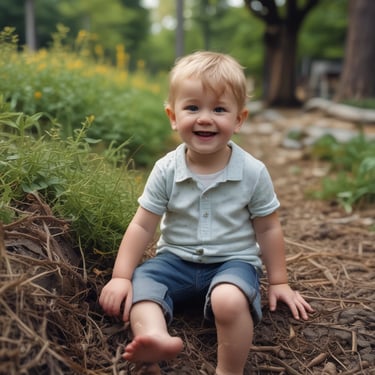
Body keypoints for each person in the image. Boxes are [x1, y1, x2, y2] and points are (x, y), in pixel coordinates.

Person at [99, 51, 313, 375]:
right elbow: (143, 225)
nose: (205, 118)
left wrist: (280, 281)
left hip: (232, 262)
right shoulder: (166, 169)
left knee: (228, 300)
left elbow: (268, 229)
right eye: (193, 107)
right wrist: (120, 276)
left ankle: (229, 369)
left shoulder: (252, 172)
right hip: (175, 261)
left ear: (239, 120)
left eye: (219, 109)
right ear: (173, 116)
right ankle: (154, 338)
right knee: (143, 284)